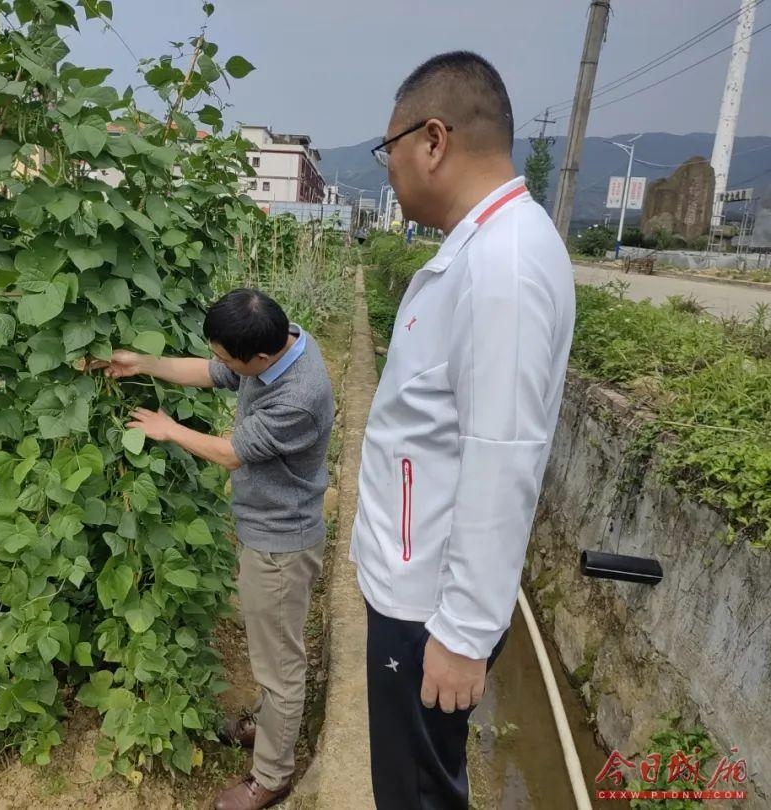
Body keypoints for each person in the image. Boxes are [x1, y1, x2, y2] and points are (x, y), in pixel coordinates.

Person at [350, 52, 576, 809]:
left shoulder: (502, 266)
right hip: (417, 590)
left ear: (434, 140)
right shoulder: (480, 249)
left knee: (418, 796)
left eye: (390, 150)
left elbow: (501, 457)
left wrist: (463, 636)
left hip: (429, 615)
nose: (389, 169)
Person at [94, 288, 334, 810]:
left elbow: (230, 455)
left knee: (280, 664)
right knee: (270, 648)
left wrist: (168, 429)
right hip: (268, 528)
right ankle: (263, 726)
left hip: (281, 542)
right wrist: (144, 364)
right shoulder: (278, 344)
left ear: (262, 358)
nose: (222, 363)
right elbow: (210, 371)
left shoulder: (299, 395)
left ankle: (271, 776)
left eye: (229, 357)